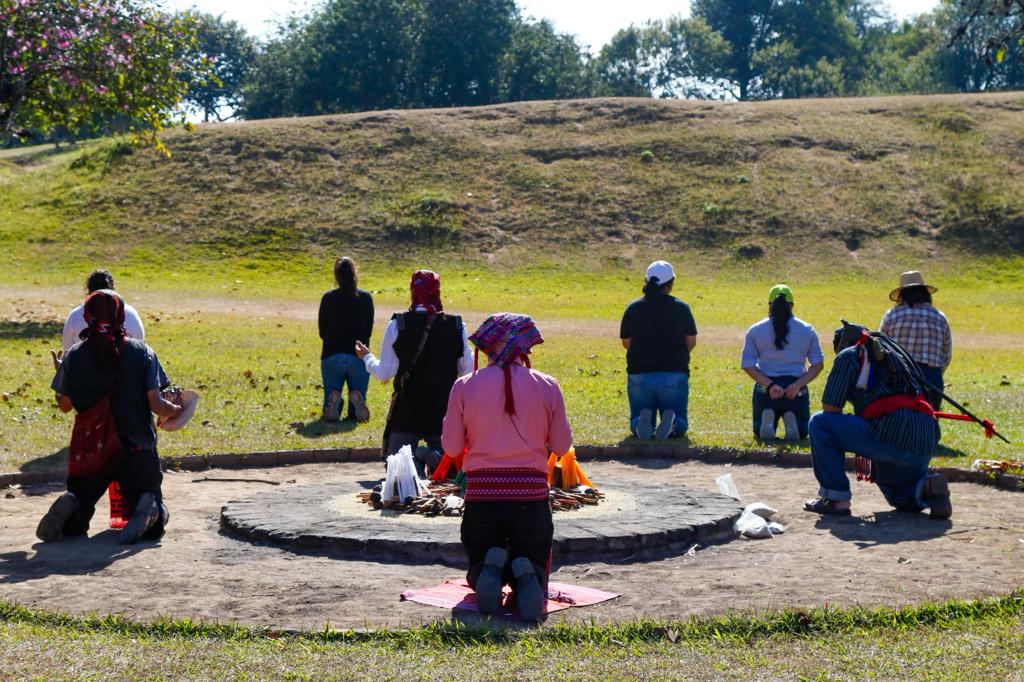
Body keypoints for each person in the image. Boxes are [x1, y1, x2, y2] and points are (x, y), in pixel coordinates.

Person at [442, 313, 572, 621]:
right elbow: (562, 446)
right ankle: (527, 577)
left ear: (485, 348)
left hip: (483, 499)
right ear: (524, 348)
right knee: (531, 554)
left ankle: (487, 570)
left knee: (479, 554)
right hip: (530, 499)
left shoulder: (463, 387)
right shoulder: (548, 385)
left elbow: (449, 448)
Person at [38, 289, 182, 544]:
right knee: (154, 526)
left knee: (77, 521)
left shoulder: (74, 356)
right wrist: (177, 410)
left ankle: (74, 502)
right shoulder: (142, 352)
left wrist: (62, 372)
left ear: (87, 316)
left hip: (92, 448)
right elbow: (157, 405)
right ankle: (149, 505)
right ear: (120, 316)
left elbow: (64, 405)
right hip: (136, 446)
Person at [803, 321, 951, 520]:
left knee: (820, 423)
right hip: (926, 438)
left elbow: (831, 411)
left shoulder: (849, 356)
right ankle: (927, 486)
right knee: (901, 499)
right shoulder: (898, 356)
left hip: (887, 431)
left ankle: (836, 499)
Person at [355, 270, 472, 474]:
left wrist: (366, 356)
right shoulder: (456, 326)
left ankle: (416, 457)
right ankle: (433, 455)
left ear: (412, 291)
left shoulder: (398, 324)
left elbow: (384, 373)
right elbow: (467, 371)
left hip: (407, 410)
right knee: (446, 476)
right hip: (443, 410)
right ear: (438, 292)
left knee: (400, 471)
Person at [619, 260, 697, 440]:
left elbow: (626, 342)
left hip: (639, 374)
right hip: (673, 374)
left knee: (637, 415)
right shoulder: (681, 308)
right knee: (681, 420)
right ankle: (674, 424)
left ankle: (640, 422)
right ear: (670, 285)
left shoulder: (633, 308)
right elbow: (691, 341)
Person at [741, 284, 824, 441]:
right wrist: (798, 385)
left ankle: (767, 421)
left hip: (765, 388)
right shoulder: (807, 330)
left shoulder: (755, 330)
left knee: (759, 430)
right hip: (795, 390)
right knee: (801, 431)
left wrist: (770, 385)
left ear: (769, 305)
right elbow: (818, 365)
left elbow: (747, 365)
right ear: (792, 305)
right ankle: (791, 418)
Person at [880, 271, 952, 410]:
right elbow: (946, 355)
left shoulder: (891, 315)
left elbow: (880, 348)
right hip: (931, 378)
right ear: (925, 293)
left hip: (898, 377)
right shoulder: (939, 317)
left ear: (902, 295)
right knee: (929, 424)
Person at [318, 257, 374, 422]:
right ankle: (356, 402)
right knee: (358, 394)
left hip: (332, 354)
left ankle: (332, 401)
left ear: (336, 276)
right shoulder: (366, 298)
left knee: (331, 391)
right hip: (359, 357)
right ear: (355, 274)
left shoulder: (328, 298)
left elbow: (322, 331)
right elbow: (368, 332)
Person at [61, 269, 145, 353]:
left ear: (88, 290)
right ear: (113, 289)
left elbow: (67, 352)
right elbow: (140, 348)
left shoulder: (75, 316)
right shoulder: (132, 313)